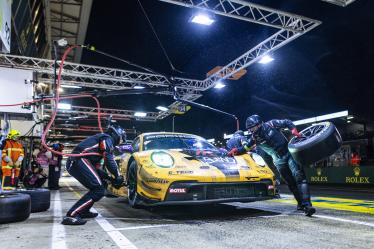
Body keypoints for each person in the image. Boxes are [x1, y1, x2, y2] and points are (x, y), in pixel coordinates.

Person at [228, 114, 316, 216]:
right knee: (290, 183)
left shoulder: (272, 124)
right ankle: (300, 204)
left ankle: (307, 206)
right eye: (250, 128)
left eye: (253, 127)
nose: (251, 130)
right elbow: (246, 148)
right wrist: (236, 151)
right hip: (278, 161)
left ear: (259, 124)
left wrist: (293, 130)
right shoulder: (254, 138)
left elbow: (287, 121)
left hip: (289, 154)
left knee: (300, 178)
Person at [61, 123, 126, 225]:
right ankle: (71, 215)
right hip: (79, 160)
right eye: (121, 138)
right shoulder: (106, 138)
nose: (121, 141)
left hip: (77, 162)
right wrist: (117, 175)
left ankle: (84, 211)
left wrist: (110, 178)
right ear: (116, 134)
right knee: (98, 189)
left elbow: (97, 169)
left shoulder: (99, 143)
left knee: (102, 186)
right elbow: (108, 158)